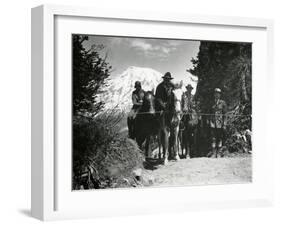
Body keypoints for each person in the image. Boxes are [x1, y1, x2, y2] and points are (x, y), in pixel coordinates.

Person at [208, 88, 227, 158]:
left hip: (220, 123)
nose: (217, 95)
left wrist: (224, 124)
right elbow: (209, 113)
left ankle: (219, 152)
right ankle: (213, 152)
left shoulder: (223, 103)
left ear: (220, 95)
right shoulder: (211, 103)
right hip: (212, 123)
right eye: (215, 93)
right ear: (214, 94)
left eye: (218, 93)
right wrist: (209, 121)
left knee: (219, 138)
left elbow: (225, 114)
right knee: (213, 138)